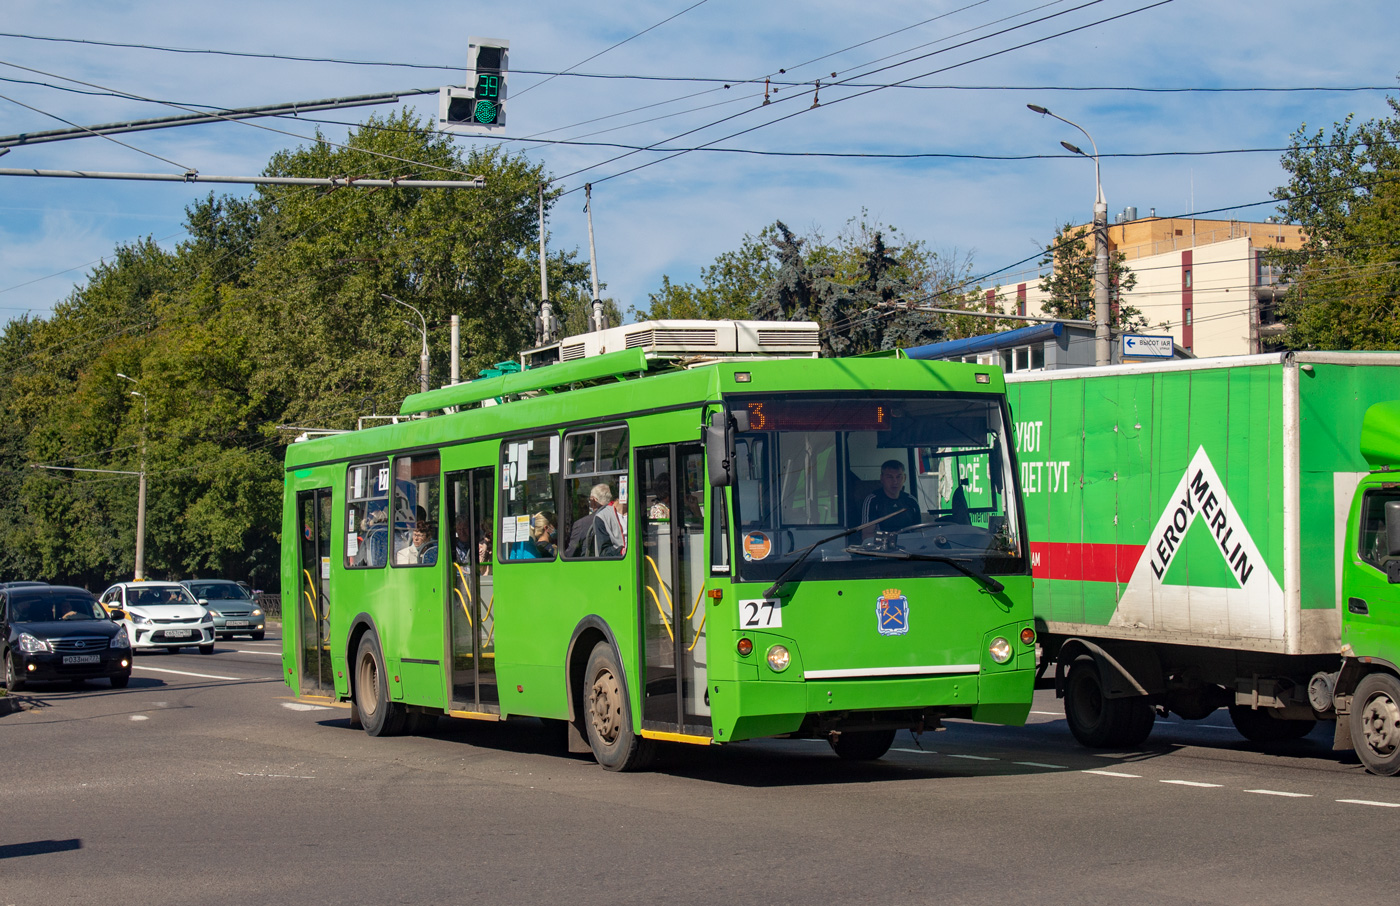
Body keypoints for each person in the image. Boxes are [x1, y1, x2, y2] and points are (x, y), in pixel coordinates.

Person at [861, 459, 921, 538]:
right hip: (882, 547)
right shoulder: (872, 500)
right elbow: (867, 535)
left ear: (904, 478)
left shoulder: (911, 501)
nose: (895, 481)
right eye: (890, 477)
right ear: (882, 478)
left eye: (898, 477)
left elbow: (919, 531)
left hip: (908, 545)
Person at [567, 483, 625, 557]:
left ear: (593, 501)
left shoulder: (582, 524)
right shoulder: (619, 516)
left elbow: (570, 554)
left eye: (586, 505)